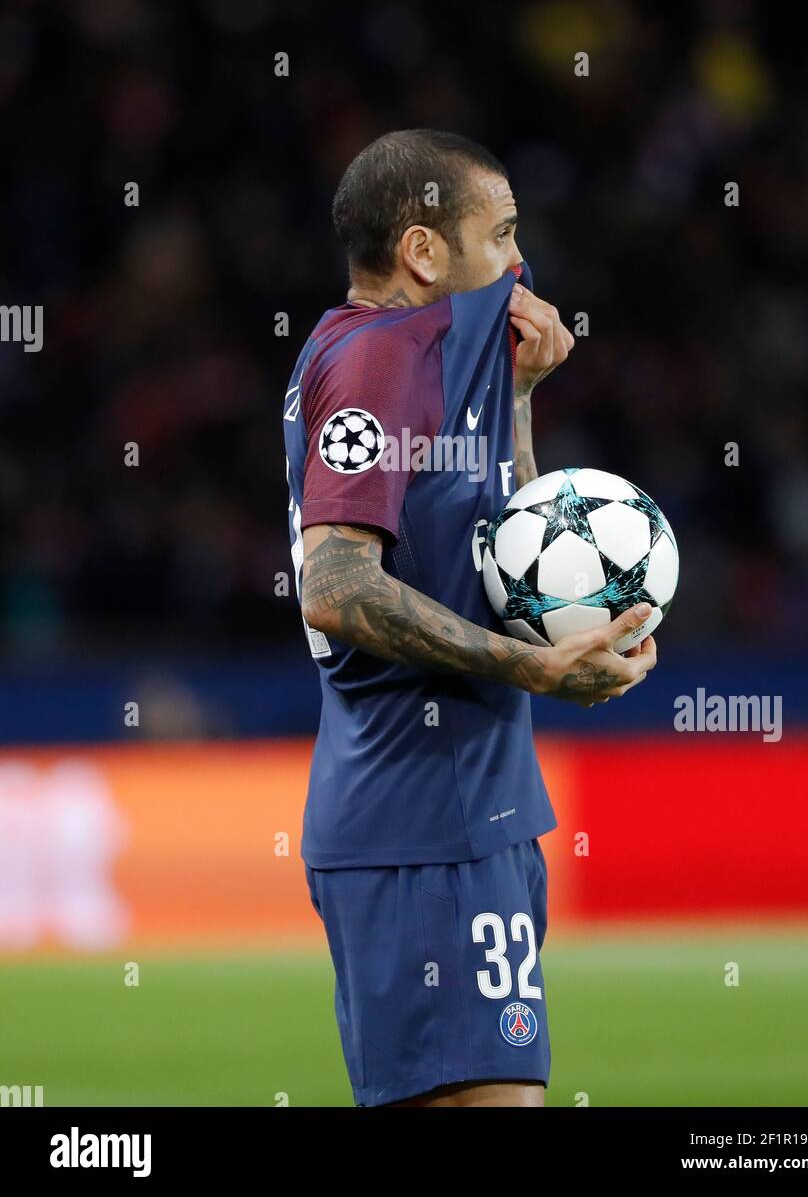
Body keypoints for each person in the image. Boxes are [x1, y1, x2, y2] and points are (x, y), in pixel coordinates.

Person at [283, 129, 657, 1107]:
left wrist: (521, 401)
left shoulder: (431, 364)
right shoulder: (376, 362)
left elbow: (509, 561)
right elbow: (335, 584)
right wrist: (533, 671)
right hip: (417, 825)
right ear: (421, 251)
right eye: (500, 235)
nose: (520, 263)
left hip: (473, 816)